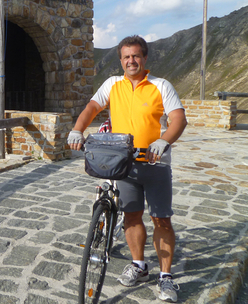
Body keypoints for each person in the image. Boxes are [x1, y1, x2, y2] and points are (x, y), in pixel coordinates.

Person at [68, 35, 187, 303]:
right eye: (126, 57)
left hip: (154, 163)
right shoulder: (112, 84)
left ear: (144, 58)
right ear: (120, 60)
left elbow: (178, 118)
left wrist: (164, 140)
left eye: (135, 56)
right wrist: (77, 129)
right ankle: (139, 265)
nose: (131, 61)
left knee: (161, 219)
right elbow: (92, 107)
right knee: (131, 218)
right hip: (122, 164)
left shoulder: (160, 86)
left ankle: (166, 277)